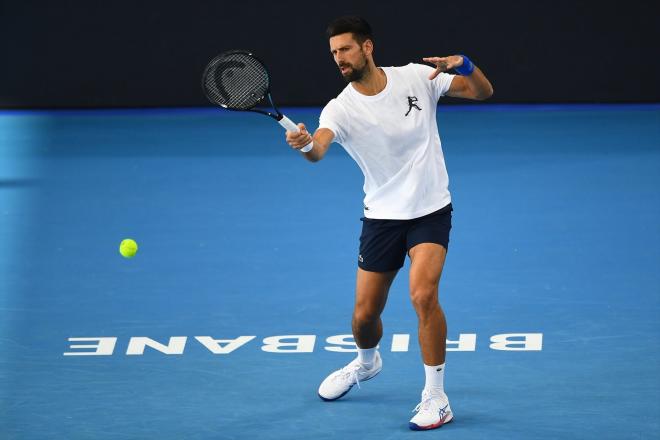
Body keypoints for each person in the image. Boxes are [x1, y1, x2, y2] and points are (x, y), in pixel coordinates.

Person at [285, 16, 493, 431]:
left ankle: (436, 396)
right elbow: (318, 150)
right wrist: (305, 143)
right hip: (381, 218)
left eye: (344, 49)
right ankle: (367, 362)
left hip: (431, 209)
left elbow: (482, 92)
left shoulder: (417, 77)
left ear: (367, 48)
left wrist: (464, 65)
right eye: (333, 53)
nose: (338, 58)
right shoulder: (340, 108)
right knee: (364, 317)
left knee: (423, 295)